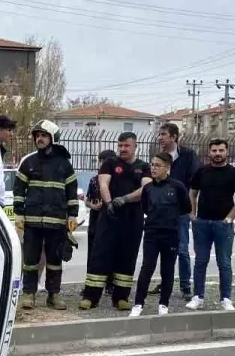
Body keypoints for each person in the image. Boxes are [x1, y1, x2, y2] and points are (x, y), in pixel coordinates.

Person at [80, 132, 151, 310]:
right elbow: (103, 183)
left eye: (126, 145)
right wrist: (109, 202)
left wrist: (125, 199)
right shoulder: (110, 163)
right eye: (120, 146)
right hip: (110, 215)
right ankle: (90, 297)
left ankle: (121, 297)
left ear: (135, 146)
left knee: (127, 255)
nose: (122, 149)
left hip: (132, 217)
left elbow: (146, 188)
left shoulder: (143, 167)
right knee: (100, 254)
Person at [13, 119, 78, 310]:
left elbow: (72, 192)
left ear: (53, 138)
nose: (39, 139)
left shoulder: (64, 164)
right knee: (30, 261)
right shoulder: (29, 162)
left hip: (57, 221)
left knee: (55, 261)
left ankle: (53, 295)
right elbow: (19, 190)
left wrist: (72, 215)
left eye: (43, 136)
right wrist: (19, 213)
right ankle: (28, 294)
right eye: (37, 136)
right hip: (32, 221)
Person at [186, 138, 235, 312]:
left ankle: (226, 299)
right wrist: (192, 215)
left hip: (223, 225)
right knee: (200, 262)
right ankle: (198, 297)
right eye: (214, 150)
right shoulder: (201, 171)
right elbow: (192, 193)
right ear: (209, 152)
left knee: (224, 263)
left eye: (221, 150)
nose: (217, 154)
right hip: (202, 224)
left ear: (227, 152)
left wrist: (229, 219)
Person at [130, 152, 191, 317]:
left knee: (167, 270)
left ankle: (164, 303)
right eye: (152, 165)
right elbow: (145, 207)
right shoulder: (148, 188)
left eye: (158, 165)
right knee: (147, 268)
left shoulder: (177, 187)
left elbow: (186, 208)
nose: (153, 168)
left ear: (167, 168)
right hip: (151, 233)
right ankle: (138, 304)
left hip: (170, 234)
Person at [156, 123, 199, 299]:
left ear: (174, 137)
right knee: (165, 248)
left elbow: (194, 182)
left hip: (181, 210)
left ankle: (185, 285)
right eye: (159, 134)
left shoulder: (188, 155)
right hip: (163, 210)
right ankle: (165, 282)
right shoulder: (161, 157)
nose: (160, 138)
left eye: (163, 134)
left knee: (182, 248)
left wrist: (190, 208)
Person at [85, 149, 115, 262]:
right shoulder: (94, 180)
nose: (102, 164)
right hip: (95, 219)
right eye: (101, 161)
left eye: (104, 161)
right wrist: (93, 206)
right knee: (93, 251)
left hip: (110, 219)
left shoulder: (116, 180)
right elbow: (87, 200)